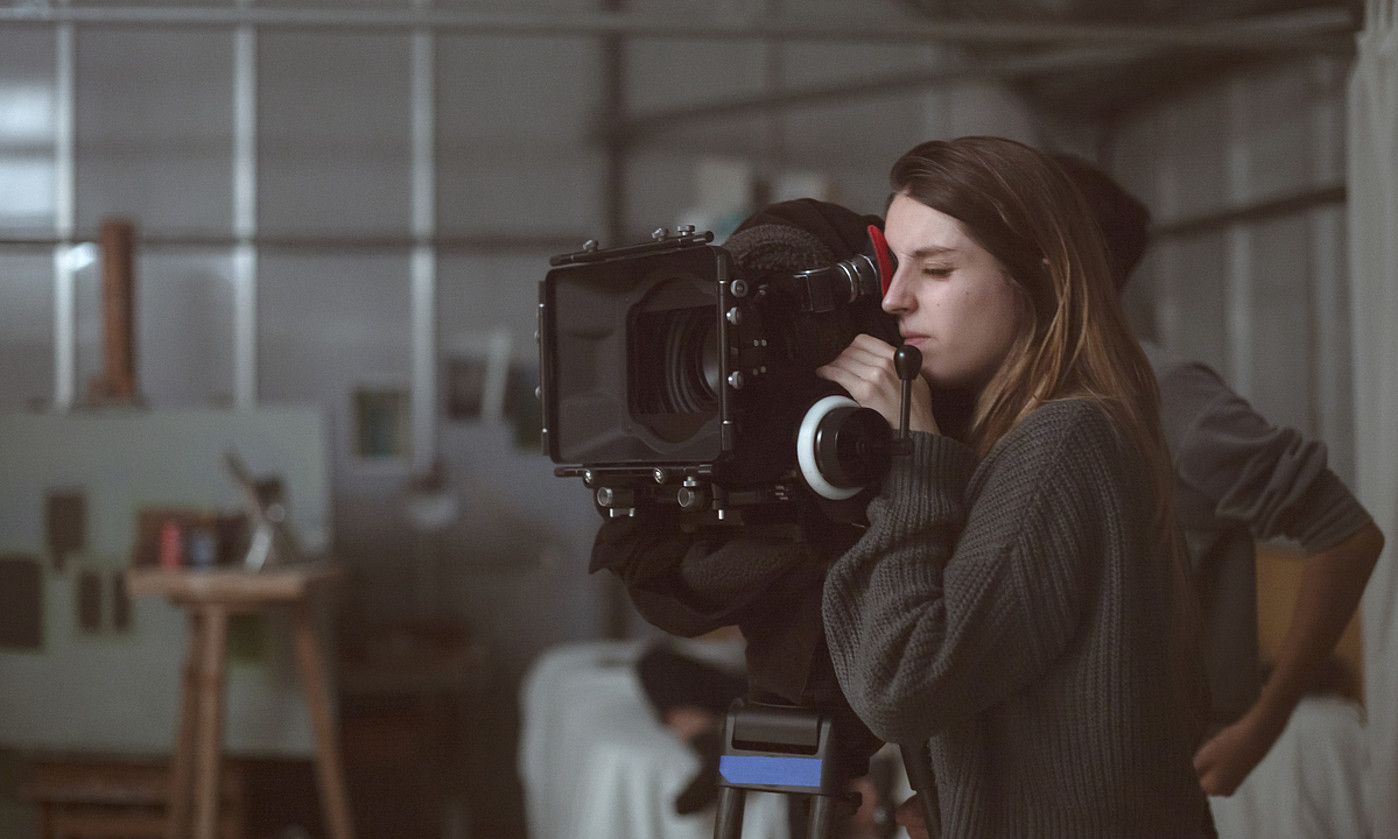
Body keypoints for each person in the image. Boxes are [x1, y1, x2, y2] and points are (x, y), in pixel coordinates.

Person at [817, 136, 1213, 837]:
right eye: (894, 264)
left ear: (1041, 274)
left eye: (935, 269)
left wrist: (912, 458)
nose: (894, 297)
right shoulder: (1057, 430)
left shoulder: (1062, 440)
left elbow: (899, 682)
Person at [1052, 152, 1385, 797]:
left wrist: (1265, 721)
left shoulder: (1166, 395)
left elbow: (1347, 533)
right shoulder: (1028, 401)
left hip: (1150, 779)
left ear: (1065, 260)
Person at [590, 198, 898, 836]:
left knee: (816, 731)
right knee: (662, 667)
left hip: (857, 672)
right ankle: (712, 744)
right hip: (775, 678)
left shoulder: (896, 411)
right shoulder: (730, 431)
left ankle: (726, 749)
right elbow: (663, 578)